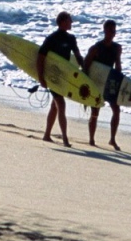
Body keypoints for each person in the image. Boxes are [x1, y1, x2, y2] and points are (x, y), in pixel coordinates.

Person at [37, 11, 84, 147]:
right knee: (61, 104)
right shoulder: (52, 38)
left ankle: (47, 135)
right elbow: (40, 57)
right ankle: (65, 138)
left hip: (63, 77)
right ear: (62, 21)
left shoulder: (71, 38)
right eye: (70, 20)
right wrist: (41, 77)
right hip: (52, 77)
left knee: (55, 106)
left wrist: (84, 70)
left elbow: (78, 55)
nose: (72, 23)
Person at [84, 19, 122, 150]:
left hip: (110, 82)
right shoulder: (96, 48)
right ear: (105, 31)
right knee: (95, 111)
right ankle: (91, 139)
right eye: (111, 30)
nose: (113, 33)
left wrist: (119, 83)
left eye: (114, 31)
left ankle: (112, 139)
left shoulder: (117, 48)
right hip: (97, 83)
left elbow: (118, 67)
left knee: (116, 110)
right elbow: (86, 67)